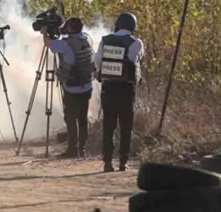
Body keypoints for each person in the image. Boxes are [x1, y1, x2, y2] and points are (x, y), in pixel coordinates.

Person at [94, 12, 144, 173]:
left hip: (108, 88)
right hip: (126, 89)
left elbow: (97, 61)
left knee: (108, 127)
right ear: (133, 27)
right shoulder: (136, 42)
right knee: (125, 127)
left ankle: (107, 162)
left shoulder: (105, 40)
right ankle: (123, 162)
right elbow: (134, 60)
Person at [41, 17, 95, 158]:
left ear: (70, 29)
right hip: (87, 84)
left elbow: (47, 43)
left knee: (70, 117)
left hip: (72, 87)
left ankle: (72, 149)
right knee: (83, 118)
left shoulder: (65, 45)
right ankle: (82, 148)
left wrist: (44, 32)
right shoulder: (87, 40)